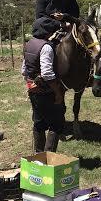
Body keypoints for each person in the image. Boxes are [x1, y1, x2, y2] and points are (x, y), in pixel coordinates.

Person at [22, 17, 67, 153]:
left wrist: (31, 84)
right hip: (47, 92)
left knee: (39, 122)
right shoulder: (46, 47)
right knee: (56, 123)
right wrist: (58, 93)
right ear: (48, 32)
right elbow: (47, 73)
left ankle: (38, 155)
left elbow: (24, 70)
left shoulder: (29, 44)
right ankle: (48, 156)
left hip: (34, 91)